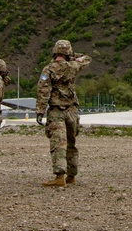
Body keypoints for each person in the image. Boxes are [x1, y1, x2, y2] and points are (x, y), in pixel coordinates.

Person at [35, 40, 91, 187]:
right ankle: (71, 175)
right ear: (68, 52)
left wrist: (40, 111)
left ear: (55, 52)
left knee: (59, 143)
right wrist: (72, 57)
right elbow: (86, 58)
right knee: (71, 143)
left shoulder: (48, 69)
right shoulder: (74, 66)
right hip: (72, 110)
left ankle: (60, 177)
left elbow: (43, 91)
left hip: (57, 111)